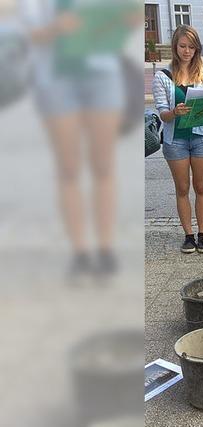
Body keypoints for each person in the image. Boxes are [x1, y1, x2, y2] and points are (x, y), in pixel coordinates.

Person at [23, 1, 135, 279]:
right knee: (69, 167)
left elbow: (126, 17)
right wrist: (56, 28)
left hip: (102, 75)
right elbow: (24, 35)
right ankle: (80, 251)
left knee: (103, 165)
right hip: (56, 78)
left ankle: (106, 248)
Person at [152, 25, 203, 253]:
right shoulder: (162, 76)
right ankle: (188, 235)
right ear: (175, 46)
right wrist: (174, 113)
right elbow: (162, 112)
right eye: (183, 46)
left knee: (201, 187)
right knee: (182, 188)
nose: (186, 51)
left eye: (191, 47)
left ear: (197, 49)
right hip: (176, 140)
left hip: (201, 136)